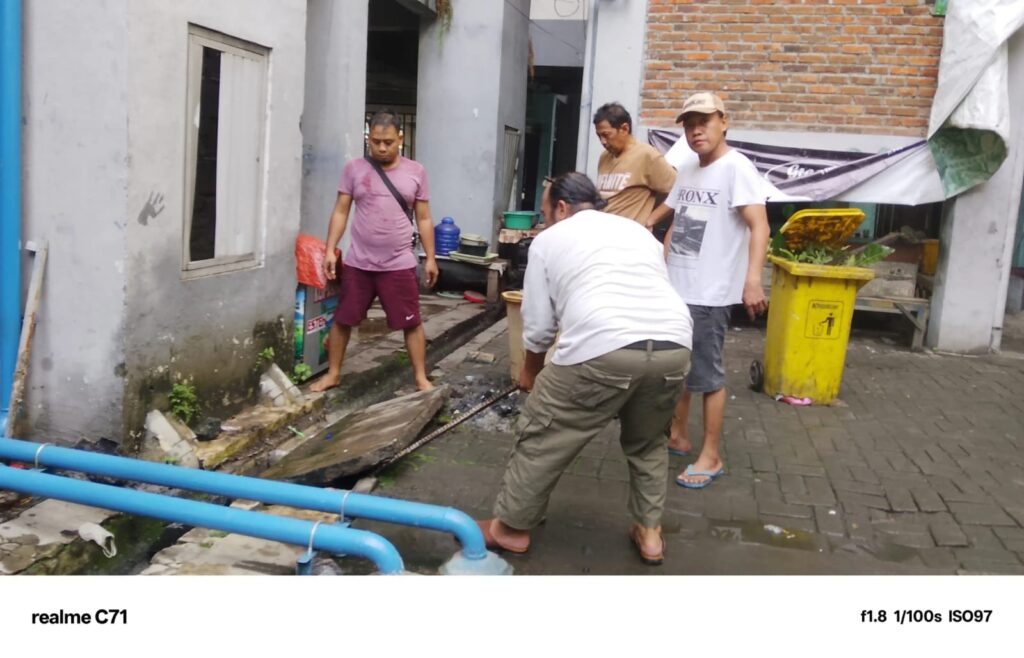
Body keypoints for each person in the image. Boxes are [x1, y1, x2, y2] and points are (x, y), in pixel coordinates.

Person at [477, 173, 693, 565]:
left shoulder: (548, 240)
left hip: (603, 345)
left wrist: (530, 373)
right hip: (674, 346)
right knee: (647, 444)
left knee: (543, 434)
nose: (544, 221)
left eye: (545, 212)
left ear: (561, 207)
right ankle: (649, 533)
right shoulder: (638, 233)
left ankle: (510, 529)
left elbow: (539, 326)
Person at [649, 91, 771, 489]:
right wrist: (659, 272)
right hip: (679, 287)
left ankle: (712, 455)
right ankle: (679, 435)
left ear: (723, 121)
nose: (695, 129)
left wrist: (752, 280)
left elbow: (760, 226)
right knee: (680, 369)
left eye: (704, 121)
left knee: (707, 375)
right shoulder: (688, 169)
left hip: (710, 291)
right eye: (688, 123)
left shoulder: (737, 168)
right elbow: (678, 225)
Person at [308, 110, 439, 393]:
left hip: (399, 263)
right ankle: (333, 374)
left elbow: (424, 218)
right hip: (359, 263)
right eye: (376, 141)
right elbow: (341, 210)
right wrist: (330, 249)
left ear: (400, 139)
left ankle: (420, 378)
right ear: (369, 139)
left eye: (388, 142)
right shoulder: (353, 169)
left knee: (411, 321)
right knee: (343, 318)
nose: (381, 147)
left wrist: (430, 257)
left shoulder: (416, 172)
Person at [593, 102, 677, 227]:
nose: (603, 141)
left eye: (606, 135)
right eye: (599, 136)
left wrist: (650, 220)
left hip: (631, 239)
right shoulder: (604, 157)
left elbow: (678, 190)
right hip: (604, 235)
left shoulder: (647, 155)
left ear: (624, 129)